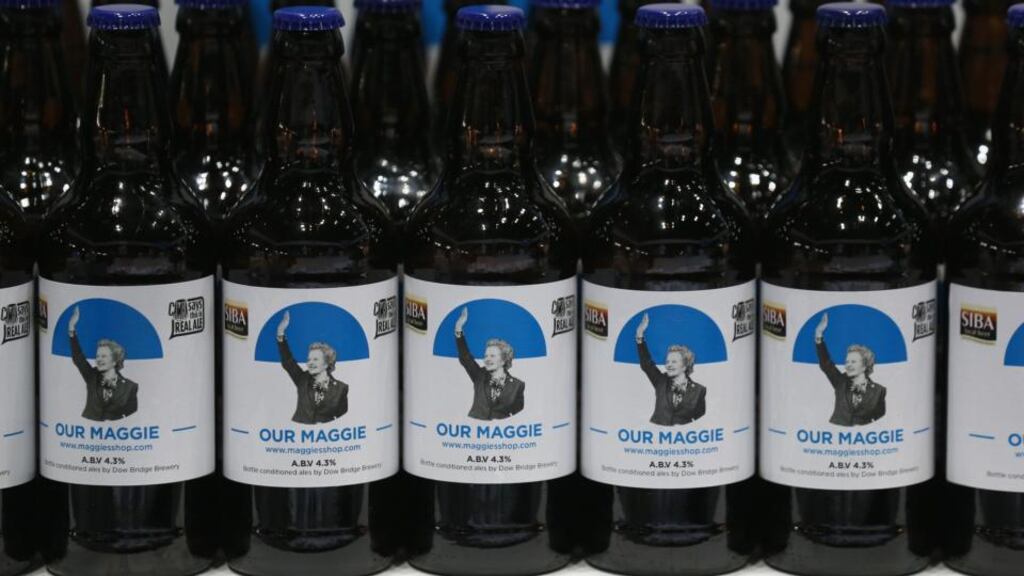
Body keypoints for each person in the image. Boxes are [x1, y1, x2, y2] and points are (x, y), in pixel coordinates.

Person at [276, 310, 349, 424]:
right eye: (308, 359)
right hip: (297, 432)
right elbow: (288, 362)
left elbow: (345, 419)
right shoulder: (302, 379)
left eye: (315, 359)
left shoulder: (341, 389)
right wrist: (280, 333)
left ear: (327, 363)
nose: (310, 363)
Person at [67, 306, 139, 422]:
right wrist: (71, 329)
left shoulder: (131, 387)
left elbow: (134, 417)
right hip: (87, 431)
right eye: (97, 356)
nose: (99, 359)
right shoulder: (91, 376)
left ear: (115, 360)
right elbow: (78, 358)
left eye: (104, 356)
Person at [814, 312, 887, 427]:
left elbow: (881, 419)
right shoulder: (840, 382)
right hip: (835, 434)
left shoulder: (879, 391)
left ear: (865, 365)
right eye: (847, 362)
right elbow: (826, 364)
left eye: (853, 362)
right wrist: (819, 335)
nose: (848, 365)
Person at [635, 312, 707, 426]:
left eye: (674, 361)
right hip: (655, 436)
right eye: (667, 361)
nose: (668, 365)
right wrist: (639, 336)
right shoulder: (660, 381)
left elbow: (702, 421)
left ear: (685, 365)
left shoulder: (699, 391)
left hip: (683, 440)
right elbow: (646, 364)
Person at [454, 307, 525, 421]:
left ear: (503, 360)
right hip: (473, 428)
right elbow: (465, 357)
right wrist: (458, 330)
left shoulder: (518, 385)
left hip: (503, 433)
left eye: (492, 356)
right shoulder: (479, 375)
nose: (487, 359)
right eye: (486, 356)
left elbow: (521, 415)